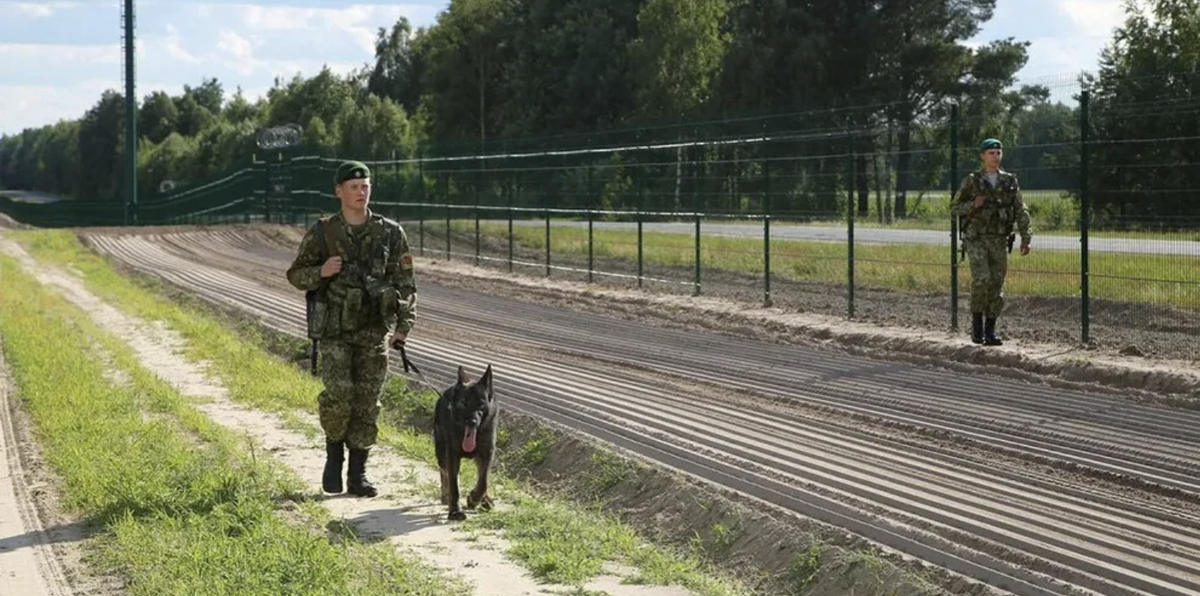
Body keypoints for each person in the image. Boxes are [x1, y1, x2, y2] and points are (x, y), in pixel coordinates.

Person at [287, 160, 417, 497]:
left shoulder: (390, 232)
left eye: (366, 186)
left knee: (367, 402)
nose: (361, 192)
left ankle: (358, 473)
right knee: (339, 395)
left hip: (373, 331)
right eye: (354, 187)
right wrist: (322, 272)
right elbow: (295, 274)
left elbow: (406, 283)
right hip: (334, 330)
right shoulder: (324, 231)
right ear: (339, 192)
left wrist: (403, 326)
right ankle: (334, 458)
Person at [952, 138, 1032, 346]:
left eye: (998, 153)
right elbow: (954, 208)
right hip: (976, 238)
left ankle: (990, 331)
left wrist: (1026, 237)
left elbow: (1020, 210)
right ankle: (976, 327)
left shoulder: (1009, 181)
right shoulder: (972, 181)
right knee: (982, 280)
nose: (995, 157)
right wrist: (972, 204)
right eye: (991, 153)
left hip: (999, 238)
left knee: (996, 284)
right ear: (982, 156)